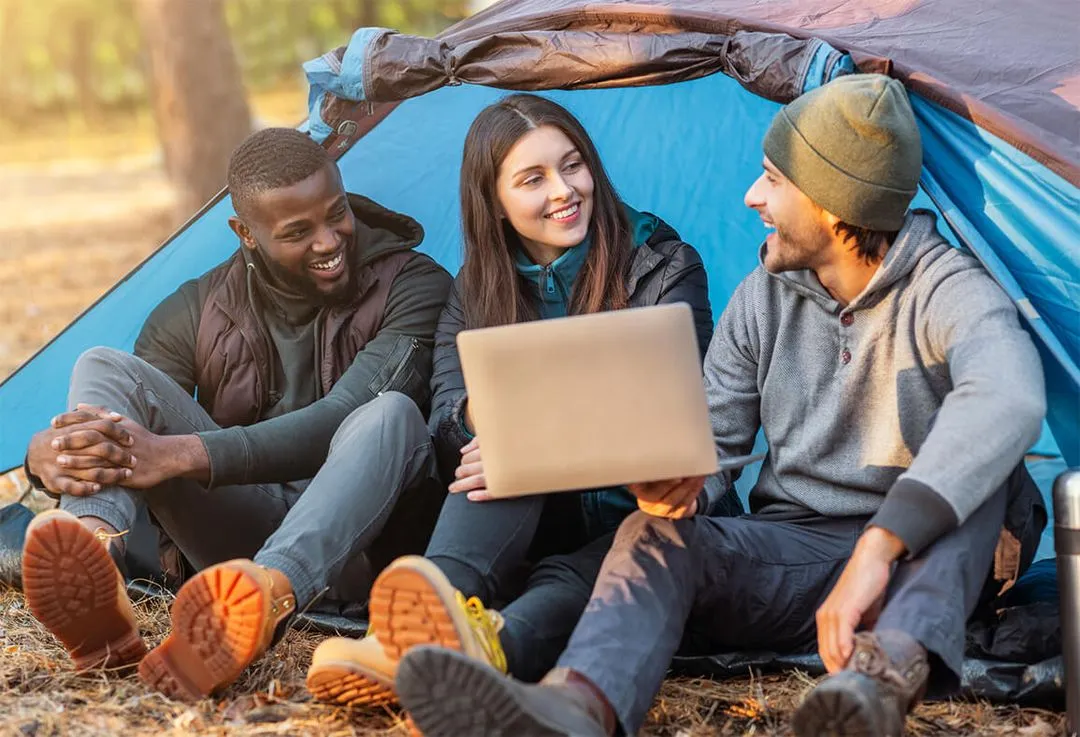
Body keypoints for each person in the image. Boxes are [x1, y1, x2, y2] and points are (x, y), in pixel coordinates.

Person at [390, 75, 1049, 737]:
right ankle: (573, 707)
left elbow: (1009, 396)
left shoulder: (948, 289)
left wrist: (882, 543)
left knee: (985, 483)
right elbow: (713, 435)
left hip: (925, 555)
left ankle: (877, 683)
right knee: (649, 532)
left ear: (831, 200)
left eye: (772, 179)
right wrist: (676, 483)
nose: (752, 197)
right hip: (793, 547)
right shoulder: (763, 296)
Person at [304, 93, 743, 709]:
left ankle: (468, 657)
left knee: (563, 562)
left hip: (654, 512)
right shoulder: (475, 289)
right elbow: (447, 418)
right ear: (497, 204)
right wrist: (495, 415)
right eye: (533, 179)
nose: (564, 191)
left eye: (573, 166)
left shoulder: (662, 265)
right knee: (497, 460)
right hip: (539, 521)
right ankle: (407, 635)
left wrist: (536, 429)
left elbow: (671, 411)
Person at [19, 127, 453, 701]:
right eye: (298, 232)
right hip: (233, 549)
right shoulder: (196, 309)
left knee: (389, 412)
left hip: (364, 545)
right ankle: (98, 560)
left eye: (337, 214)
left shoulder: (415, 285)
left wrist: (181, 454)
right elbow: (128, 437)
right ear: (245, 233)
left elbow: (342, 415)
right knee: (105, 366)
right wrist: (43, 458)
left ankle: (261, 604)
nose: (329, 241)